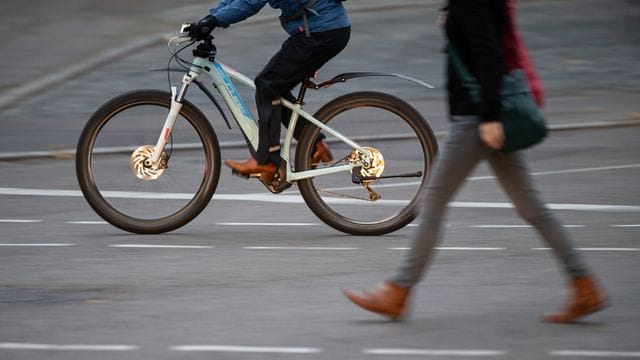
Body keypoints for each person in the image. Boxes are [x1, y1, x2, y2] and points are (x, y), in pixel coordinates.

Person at [342, 0, 608, 323]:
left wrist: (491, 116)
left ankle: (398, 291)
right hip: (483, 115)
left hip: (477, 120)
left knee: (433, 202)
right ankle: (585, 285)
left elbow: (490, 53)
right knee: (532, 208)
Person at [188, 0, 351, 182]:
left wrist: (214, 20)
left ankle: (266, 160)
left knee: (267, 84)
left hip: (322, 31)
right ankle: (313, 144)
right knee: (274, 87)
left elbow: (250, 3)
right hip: (323, 30)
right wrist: (210, 18)